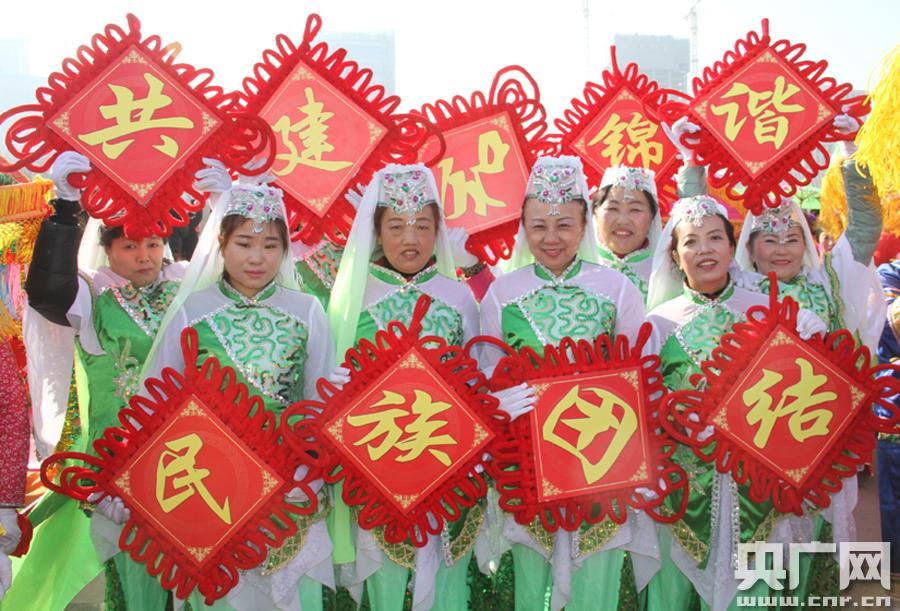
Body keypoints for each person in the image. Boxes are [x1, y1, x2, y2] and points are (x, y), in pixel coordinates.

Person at [144, 164, 336, 610]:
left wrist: (308, 471)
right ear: (222, 244)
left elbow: (319, 401)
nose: (257, 258)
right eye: (244, 243)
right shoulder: (192, 310)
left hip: (290, 484)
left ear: (285, 250)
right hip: (210, 485)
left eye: (270, 245)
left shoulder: (307, 309)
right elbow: (160, 404)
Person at [10, 151, 185, 611]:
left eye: (153, 244)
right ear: (108, 248)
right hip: (120, 462)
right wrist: (65, 209)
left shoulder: (186, 284)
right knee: (134, 581)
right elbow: (47, 291)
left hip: (189, 452)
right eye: (129, 246)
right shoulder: (93, 294)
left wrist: (228, 198)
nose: (144, 257)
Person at [480, 155, 653, 611]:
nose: (551, 238)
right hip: (527, 462)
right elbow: (487, 374)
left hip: (602, 462)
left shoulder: (617, 289)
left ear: (583, 226)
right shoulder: (502, 293)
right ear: (523, 229)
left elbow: (640, 373)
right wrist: (500, 402)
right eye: (539, 226)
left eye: (564, 225)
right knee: (531, 585)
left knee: (595, 582)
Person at [644, 194, 827, 610]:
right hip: (683, 487)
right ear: (674, 256)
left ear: (732, 247)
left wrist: (813, 343)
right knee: (672, 592)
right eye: (691, 242)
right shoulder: (657, 324)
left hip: (756, 486)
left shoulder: (769, 313)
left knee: (752, 592)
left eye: (715, 238)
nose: (704, 250)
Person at [326, 164, 485, 611]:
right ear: (377, 231)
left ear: (438, 231)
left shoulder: (458, 296)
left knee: (447, 584)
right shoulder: (353, 295)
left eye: (423, 226)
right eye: (396, 226)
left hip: (447, 460)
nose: (409, 239)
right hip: (377, 464)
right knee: (386, 583)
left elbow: (476, 380)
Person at [591, 165, 662, 303]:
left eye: (635, 210)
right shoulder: (575, 267)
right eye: (612, 209)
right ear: (595, 212)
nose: (622, 220)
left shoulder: (665, 274)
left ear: (652, 217)